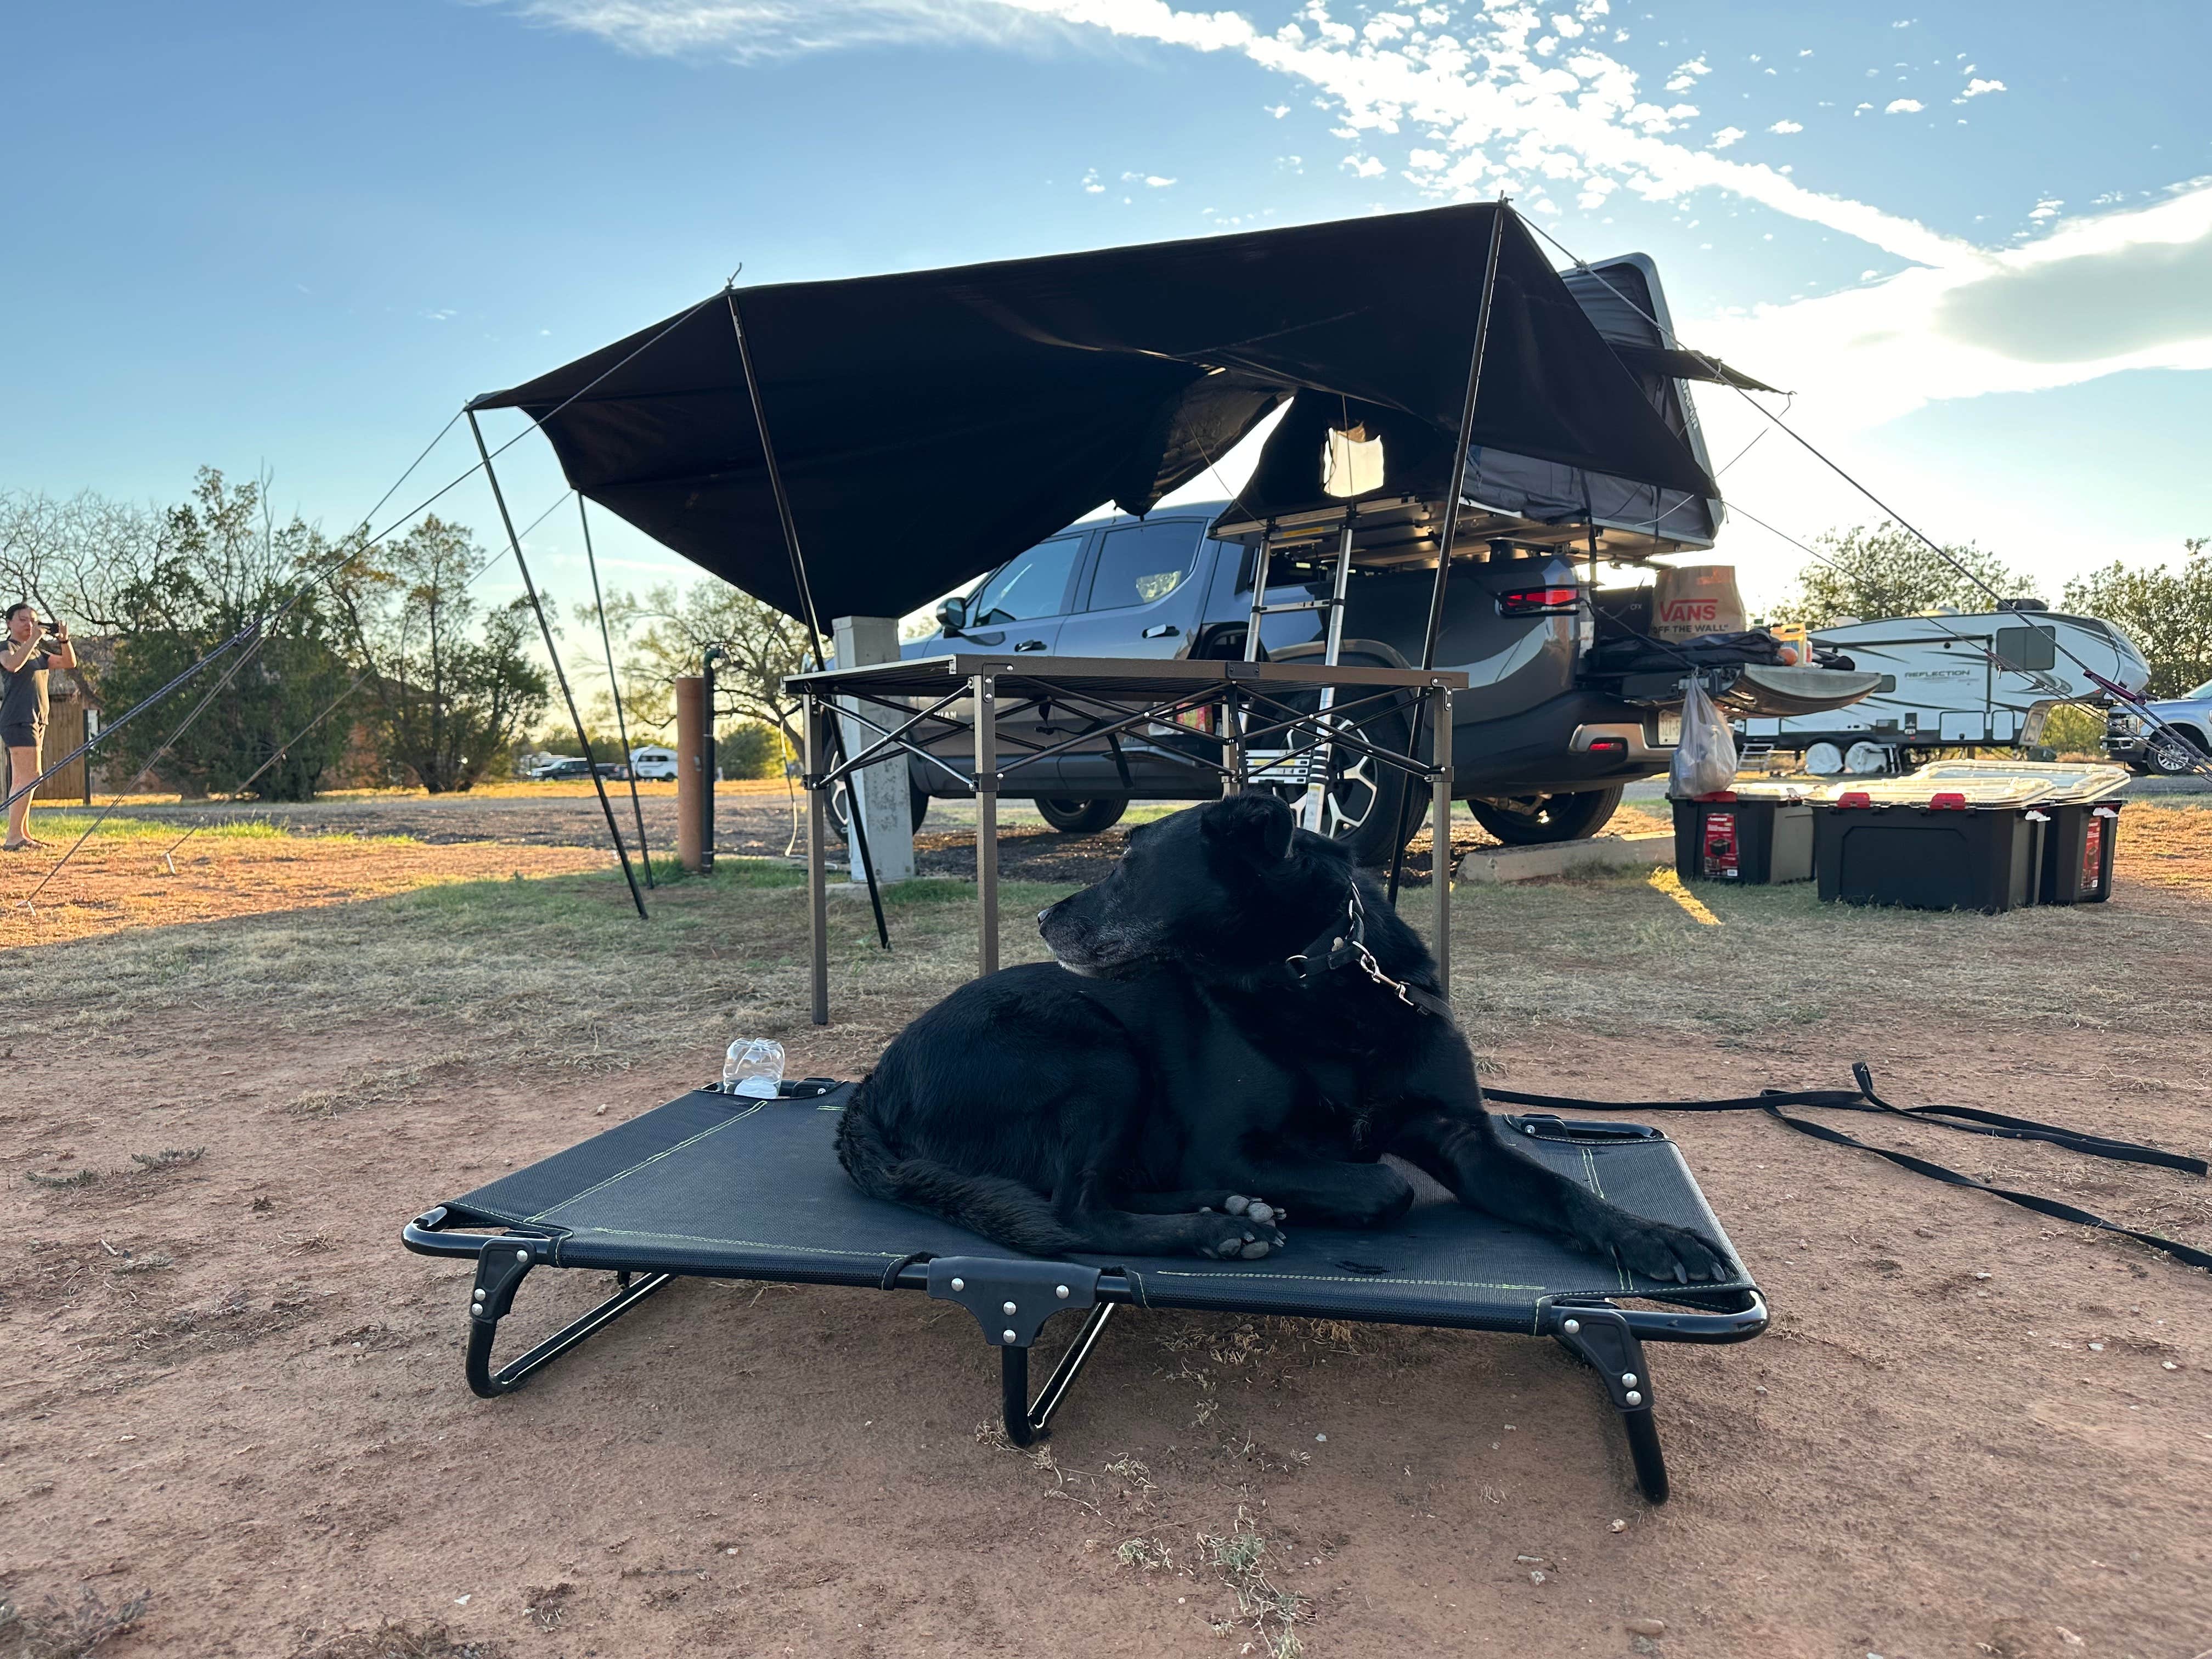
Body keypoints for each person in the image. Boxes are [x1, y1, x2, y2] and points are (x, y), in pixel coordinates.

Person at [2, 602, 77, 851]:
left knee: (24, 778)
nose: (30, 624)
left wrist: (64, 640)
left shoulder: (38, 653)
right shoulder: (7, 647)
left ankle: (22, 833)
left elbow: (69, 663)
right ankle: (14, 838)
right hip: (18, 717)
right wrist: (34, 638)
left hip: (37, 718)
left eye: (33, 620)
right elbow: (12, 665)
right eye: (23, 620)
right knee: (31, 776)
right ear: (9, 623)